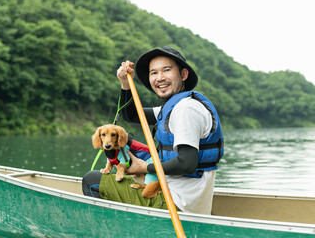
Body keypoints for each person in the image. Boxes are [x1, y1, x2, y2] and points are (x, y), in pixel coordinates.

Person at [82, 46, 224, 214]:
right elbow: (132, 115)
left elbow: (186, 164)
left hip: (175, 202)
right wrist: (126, 84)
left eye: (167, 70)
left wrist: (145, 167)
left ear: (184, 74)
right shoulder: (176, 106)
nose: (160, 78)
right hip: (172, 192)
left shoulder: (185, 110)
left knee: (91, 180)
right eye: (153, 73)